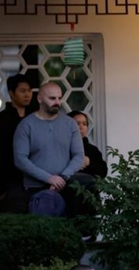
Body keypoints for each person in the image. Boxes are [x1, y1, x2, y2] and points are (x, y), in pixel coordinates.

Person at [13, 82, 97, 221]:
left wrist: (63, 177)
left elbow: (78, 155)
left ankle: (85, 234)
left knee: (87, 182)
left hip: (65, 182)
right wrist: (49, 178)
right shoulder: (26, 125)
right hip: (37, 186)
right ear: (40, 99)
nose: (57, 102)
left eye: (59, 98)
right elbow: (20, 160)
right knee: (46, 212)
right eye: (52, 98)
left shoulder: (70, 123)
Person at [0, 74, 35, 212]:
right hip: (10, 181)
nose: (27, 94)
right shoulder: (3, 119)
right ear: (11, 93)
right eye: (22, 91)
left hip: (35, 178)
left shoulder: (36, 117)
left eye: (29, 90)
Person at [68, 110, 108, 179]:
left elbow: (103, 171)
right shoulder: (61, 147)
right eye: (77, 123)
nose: (81, 127)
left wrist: (89, 162)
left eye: (84, 124)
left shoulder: (92, 149)